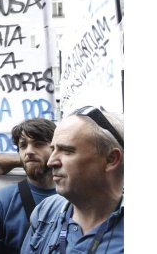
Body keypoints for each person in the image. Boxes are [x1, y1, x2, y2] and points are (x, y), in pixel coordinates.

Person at [20, 106, 124, 253]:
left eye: (67, 151)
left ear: (111, 159)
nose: (51, 162)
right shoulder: (47, 211)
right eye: (53, 149)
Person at [0, 118, 57, 254]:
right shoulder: (2, 201)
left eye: (39, 144)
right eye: (23, 145)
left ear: (56, 149)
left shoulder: (74, 198)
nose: (29, 151)